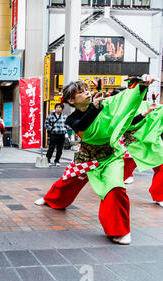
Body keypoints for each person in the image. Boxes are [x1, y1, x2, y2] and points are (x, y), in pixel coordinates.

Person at [34, 74, 158, 245]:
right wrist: (95, 108)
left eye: (86, 90)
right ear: (71, 101)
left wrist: (141, 86)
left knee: (115, 187)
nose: (87, 93)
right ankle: (51, 199)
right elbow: (81, 126)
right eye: (81, 92)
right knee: (68, 181)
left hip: (110, 156)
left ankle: (119, 230)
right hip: (86, 157)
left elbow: (125, 109)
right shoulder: (73, 118)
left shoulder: (105, 105)